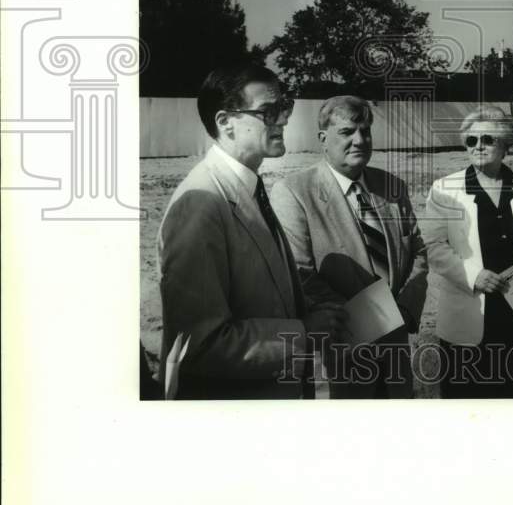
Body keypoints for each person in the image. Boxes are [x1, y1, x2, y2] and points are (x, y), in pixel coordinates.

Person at [156, 62, 345, 399]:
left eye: (284, 107)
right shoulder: (200, 205)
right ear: (226, 122)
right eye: (268, 111)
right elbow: (199, 345)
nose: (284, 119)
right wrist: (303, 333)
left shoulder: (244, 185)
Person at [270, 95, 428, 398]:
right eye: (346, 132)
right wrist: (367, 320)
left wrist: (406, 308)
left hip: (395, 352)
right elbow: (300, 275)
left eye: (365, 131)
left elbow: (418, 252)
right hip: (339, 353)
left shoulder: (392, 187)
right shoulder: (293, 193)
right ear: (323, 139)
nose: (359, 140)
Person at [423, 106, 513, 398]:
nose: (478, 147)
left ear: (505, 144)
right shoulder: (445, 189)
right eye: (471, 141)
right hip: (469, 316)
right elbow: (433, 246)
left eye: (487, 139)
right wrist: (474, 276)